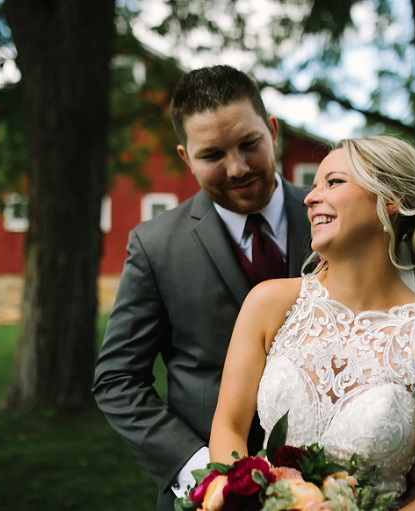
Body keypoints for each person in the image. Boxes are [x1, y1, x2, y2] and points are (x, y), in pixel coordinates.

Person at [209, 135, 415, 509]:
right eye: (313, 186)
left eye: (333, 182)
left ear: (391, 200)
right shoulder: (269, 304)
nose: (309, 198)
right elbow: (228, 427)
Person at [92, 65, 315, 511]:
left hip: (330, 485)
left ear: (272, 131)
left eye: (249, 144)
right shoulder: (154, 246)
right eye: (212, 155)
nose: (237, 168)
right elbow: (117, 379)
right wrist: (205, 474)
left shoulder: (330, 217)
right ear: (185, 157)